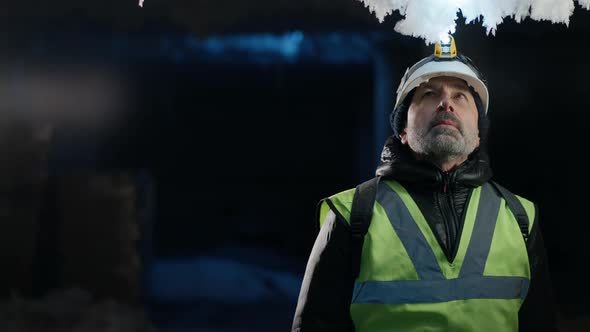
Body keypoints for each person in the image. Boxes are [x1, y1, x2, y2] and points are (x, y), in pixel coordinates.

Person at [291, 36, 557, 332]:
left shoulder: (520, 217)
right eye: (429, 94)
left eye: (461, 97)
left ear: (478, 135)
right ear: (402, 129)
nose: (446, 103)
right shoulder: (351, 214)